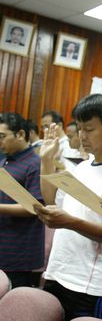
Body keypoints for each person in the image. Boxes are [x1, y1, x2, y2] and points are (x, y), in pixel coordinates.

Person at [35, 94, 102, 321]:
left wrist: (70, 222)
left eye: (89, 129)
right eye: (80, 128)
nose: (82, 135)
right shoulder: (82, 167)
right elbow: (51, 200)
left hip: (89, 285)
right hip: (60, 271)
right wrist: (46, 161)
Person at [0, 112, 44, 288]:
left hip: (18, 251)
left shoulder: (35, 164)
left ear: (20, 134)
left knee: (14, 300)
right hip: (4, 244)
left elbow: (35, 207)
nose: (0, 141)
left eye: (2, 136)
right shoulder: (6, 160)